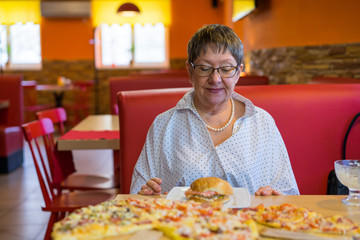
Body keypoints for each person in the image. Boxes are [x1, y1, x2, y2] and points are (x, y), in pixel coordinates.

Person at [130, 24, 299, 196]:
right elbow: (138, 192)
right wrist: (148, 195)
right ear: (190, 71)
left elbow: (289, 192)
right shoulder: (164, 125)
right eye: (204, 68)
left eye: (226, 69)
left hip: (250, 221)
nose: (215, 78)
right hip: (182, 221)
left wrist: (274, 196)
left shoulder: (262, 122)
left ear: (238, 72)